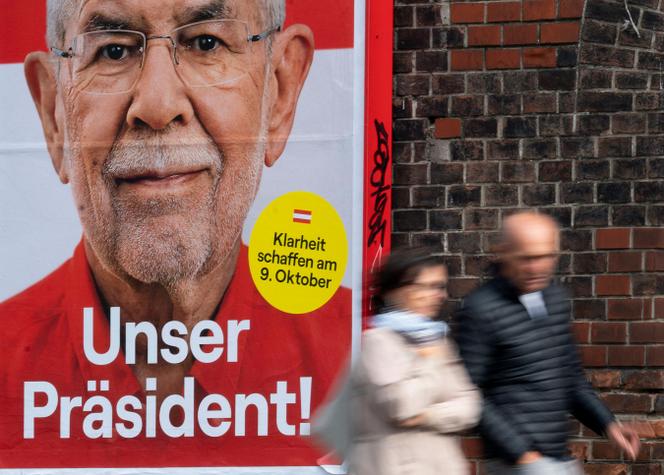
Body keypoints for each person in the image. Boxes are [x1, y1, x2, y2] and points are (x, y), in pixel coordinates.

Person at [0, 0, 350, 468]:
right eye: (113, 52)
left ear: (279, 92)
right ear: (54, 114)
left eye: (207, 42)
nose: (158, 106)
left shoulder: (352, 357)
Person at [454, 212, 641, 474]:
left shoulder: (554, 299)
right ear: (503, 253)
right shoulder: (480, 309)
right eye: (526, 258)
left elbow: (570, 376)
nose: (537, 267)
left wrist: (608, 424)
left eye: (545, 256)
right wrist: (521, 454)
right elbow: (468, 393)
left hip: (557, 458)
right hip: (518, 464)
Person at [346, 248, 480, 475]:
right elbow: (401, 406)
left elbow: (470, 405)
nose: (439, 295)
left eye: (439, 287)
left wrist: (428, 416)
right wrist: (429, 360)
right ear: (396, 291)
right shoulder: (379, 341)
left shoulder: (437, 339)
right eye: (427, 287)